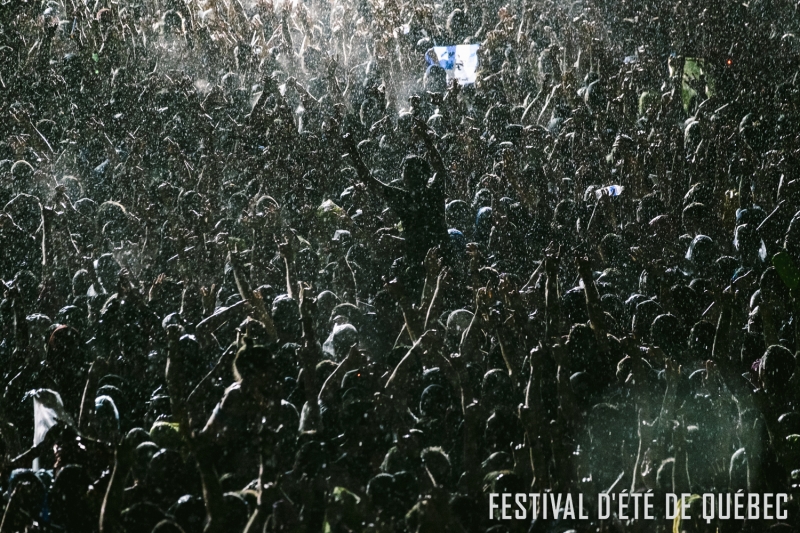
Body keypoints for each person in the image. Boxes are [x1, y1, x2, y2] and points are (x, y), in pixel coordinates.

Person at [0, 0, 798, 531]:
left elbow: (420, 174)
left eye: (419, 175)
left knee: (419, 304)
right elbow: (386, 178)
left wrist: (409, 145)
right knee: (418, 305)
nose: (416, 180)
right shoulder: (410, 194)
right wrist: (367, 149)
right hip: (430, 274)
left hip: (435, 270)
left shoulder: (426, 194)